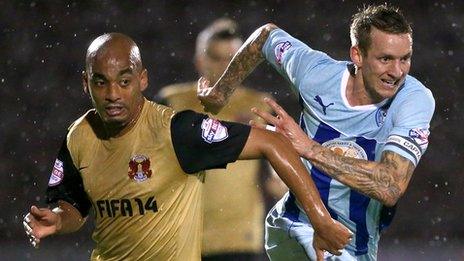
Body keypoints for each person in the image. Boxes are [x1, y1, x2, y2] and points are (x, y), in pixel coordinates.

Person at [22, 33, 352, 261]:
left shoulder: (176, 130)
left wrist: (319, 219)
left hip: (237, 242)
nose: (112, 94)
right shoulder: (79, 136)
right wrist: (57, 219)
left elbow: (273, 143)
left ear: (142, 80)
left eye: (124, 81)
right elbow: (74, 206)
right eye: (101, 82)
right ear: (86, 83)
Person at [197, 4, 435, 261]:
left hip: (357, 246)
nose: (397, 72)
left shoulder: (414, 99)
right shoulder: (315, 74)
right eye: (385, 59)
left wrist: (308, 147)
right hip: (295, 225)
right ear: (357, 55)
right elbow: (266, 36)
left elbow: (390, 186)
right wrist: (221, 92)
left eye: (405, 59)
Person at [157, 18, 286, 261]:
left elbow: (277, 175)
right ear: (199, 60)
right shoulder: (171, 103)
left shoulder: (260, 105)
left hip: (240, 239)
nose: (227, 67)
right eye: (217, 58)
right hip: (182, 238)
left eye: (233, 58)